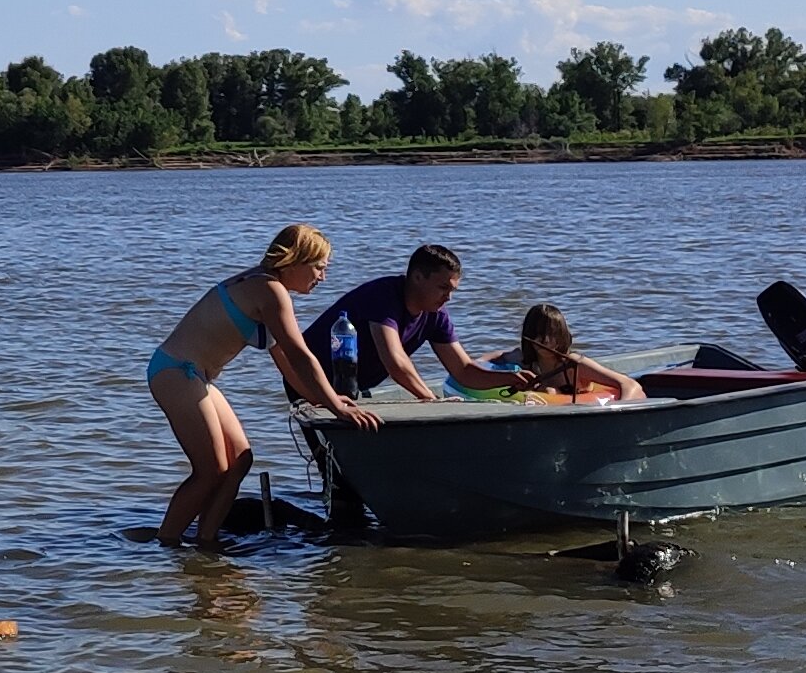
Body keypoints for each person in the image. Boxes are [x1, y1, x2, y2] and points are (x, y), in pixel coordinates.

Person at [146, 221, 377, 548]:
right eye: (319, 268)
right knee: (210, 469)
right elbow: (301, 355)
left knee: (241, 459)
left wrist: (318, 399)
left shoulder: (268, 289)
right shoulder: (270, 290)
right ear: (295, 261)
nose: (322, 277)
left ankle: (206, 543)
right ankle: (166, 543)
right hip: (176, 372)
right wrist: (334, 405)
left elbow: (284, 359)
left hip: (195, 376)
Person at [304, 243, 504, 402]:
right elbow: (395, 362)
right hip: (307, 382)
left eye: (452, 290)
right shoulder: (383, 297)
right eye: (443, 287)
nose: (448, 297)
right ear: (417, 277)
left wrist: (510, 379)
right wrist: (431, 400)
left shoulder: (436, 313)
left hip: (348, 390)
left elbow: (463, 371)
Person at [494, 304, 643, 404]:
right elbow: (493, 358)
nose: (544, 340)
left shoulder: (573, 365)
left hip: (579, 418)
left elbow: (630, 385)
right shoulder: (524, 359)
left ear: (561, 336)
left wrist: (619, 412)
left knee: (549, 391)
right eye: (538, 334)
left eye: (551, 334)